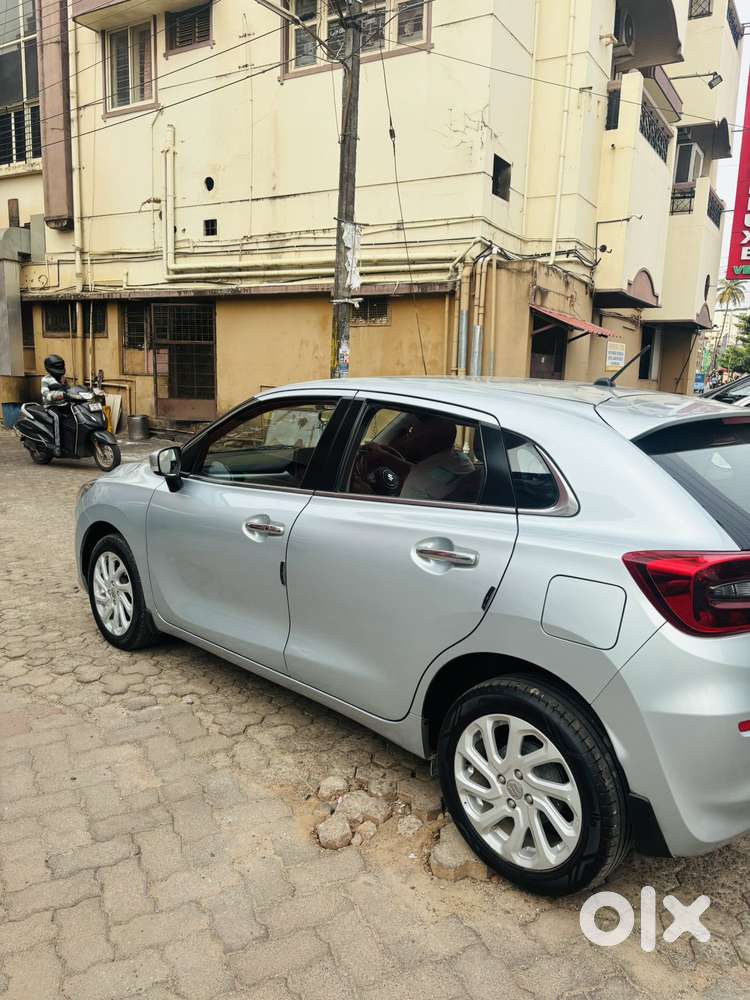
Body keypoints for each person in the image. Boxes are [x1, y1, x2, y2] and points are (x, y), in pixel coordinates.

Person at [41, 354, 69, 456]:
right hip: (51, 406)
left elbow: (68, 389)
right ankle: (57, 446)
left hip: (63, 404)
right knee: (57, 417)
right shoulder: (45, 379)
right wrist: (54, 396)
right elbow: (44, 392)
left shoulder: (62, 378)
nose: (60, 369)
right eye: (57, 367)